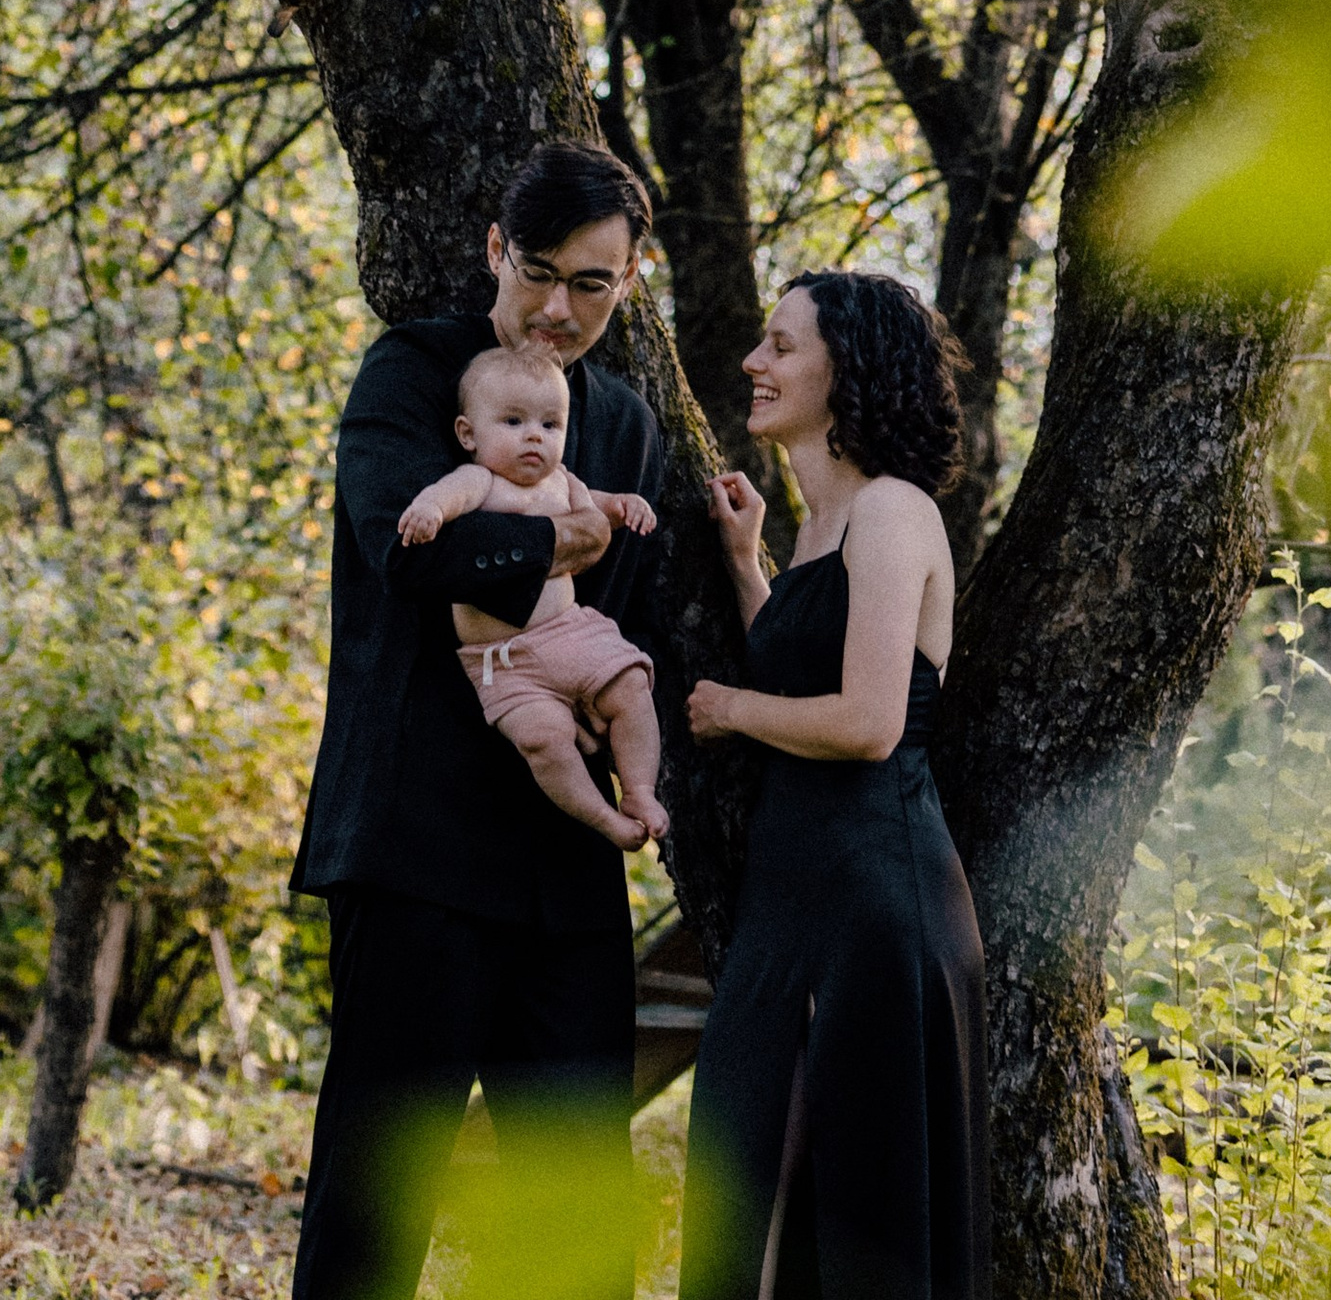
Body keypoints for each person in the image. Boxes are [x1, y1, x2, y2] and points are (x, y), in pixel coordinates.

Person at [290, 138, 664, 1300]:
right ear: (495, 250)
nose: (557, 308)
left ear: (630, 282)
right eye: (538, 270)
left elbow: (629, 628)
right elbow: (398, 554)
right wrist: (552, 540)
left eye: (591, 284)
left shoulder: (629, 429)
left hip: (567, 874)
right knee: (371, 1213)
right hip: (413, 850)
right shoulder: (411, 374)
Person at [682, 271, 990, 1300]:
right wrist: (743, 563)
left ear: (843, 370)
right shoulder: (823, 526)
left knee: (850, 1223)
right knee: (749, 1200)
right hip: (794, 900)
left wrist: (726, 709)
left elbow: (866, 722)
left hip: (875, 907)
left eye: (779, 346)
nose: (752, 364)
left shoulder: (894, 513)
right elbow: (811, 659)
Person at [397, 338, 667, 849]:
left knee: (632, 686)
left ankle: (639, 790)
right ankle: (605, 820)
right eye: (514, 422)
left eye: (550, 425)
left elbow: (597, 506)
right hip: (503, 660)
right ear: (468, 434)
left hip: (572, 633)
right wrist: (431, 509)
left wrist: (624, 505)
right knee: (542, 740)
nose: (534, 439)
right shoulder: (479, 481)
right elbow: (448, 496)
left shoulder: (563, 483)